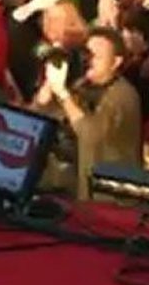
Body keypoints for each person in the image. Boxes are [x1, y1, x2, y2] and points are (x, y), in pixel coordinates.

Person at [34, 27, 142, 199]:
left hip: (107, 193)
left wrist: (62, 93)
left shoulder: (124, 96)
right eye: (87, 55)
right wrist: (50, 84)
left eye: (97, 57)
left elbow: (91, 135)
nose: (89, 61)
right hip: (71, 177)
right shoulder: (82, 85)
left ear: (115, 62)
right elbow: (40, 117)